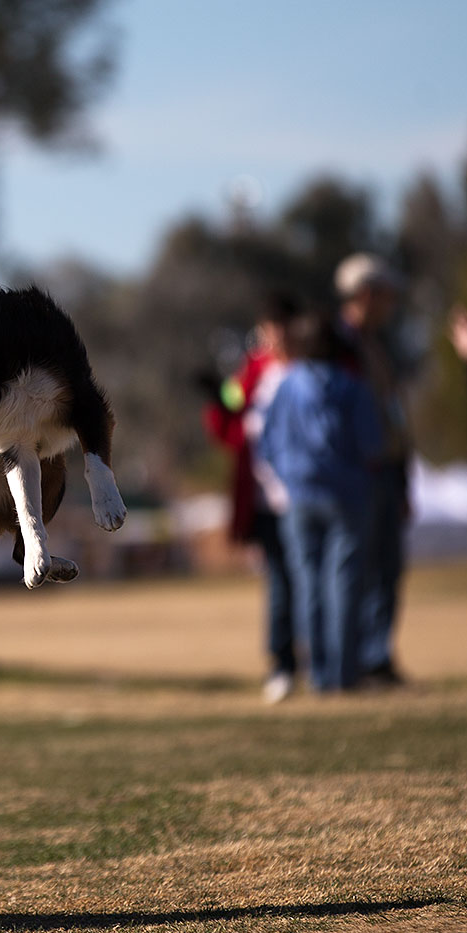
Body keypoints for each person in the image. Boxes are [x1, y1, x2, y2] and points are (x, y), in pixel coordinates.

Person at [258, 313, 384, 693]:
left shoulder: (286, 387)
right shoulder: (353, 388)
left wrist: (291, 475)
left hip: (300, 497)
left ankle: (318, 674)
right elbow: (373, 444)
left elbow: (268, 444)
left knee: (307, 584)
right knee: (344, 583)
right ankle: (343, 675)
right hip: (348, 496)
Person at [199, 292, 299, 702]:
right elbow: (232, 411)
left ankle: (329, 659)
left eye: (275, 331)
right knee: (280, 580)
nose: (269, 340)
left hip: (306, 494)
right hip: (264, 498)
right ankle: (283, 662)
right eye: (265, 332)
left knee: (312, 582)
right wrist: (217, 400)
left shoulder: (310, 367)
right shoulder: (254, 370)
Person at [333, 252, 415, 685]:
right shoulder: (338, 346)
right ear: (365, 294)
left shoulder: (379, 345)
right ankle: (353, 660)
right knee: (357, 571)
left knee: (387, 569)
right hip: (358, 476)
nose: (392, 304)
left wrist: (402, 475)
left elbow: (394, 412)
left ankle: (378, 657)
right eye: (386, 295)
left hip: (387, 470)